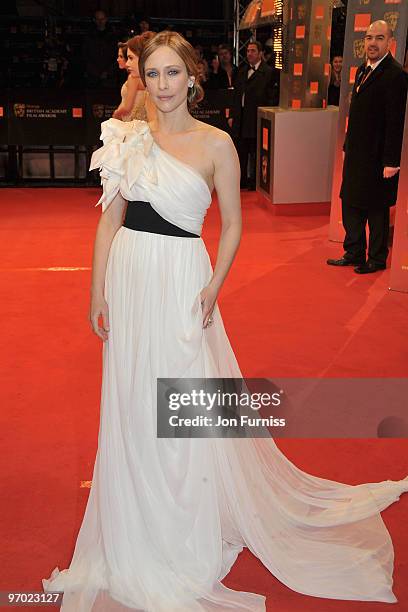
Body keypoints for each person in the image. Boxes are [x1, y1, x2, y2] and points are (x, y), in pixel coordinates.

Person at [42, 30, 408, 611]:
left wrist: (214, 285)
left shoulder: (216, 145)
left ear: (192, 77)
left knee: (179, 405)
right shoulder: (129, 138)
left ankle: (183, 531)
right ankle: (136, 524)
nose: (162, 86)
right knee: (134, 400)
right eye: (153, 74)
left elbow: (233, 224)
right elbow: (109, 223)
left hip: (184, 282)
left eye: (172, 74)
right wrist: (96, 292)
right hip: (131, 281)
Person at [328, 21, 408, 273]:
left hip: (378, 157)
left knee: (376, 209)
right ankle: (353, 252)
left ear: (390, 42)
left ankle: (376, 258)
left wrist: (391, 162)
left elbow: (396, 122)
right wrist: (347, 146)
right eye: (369, 37)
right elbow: (357, 113)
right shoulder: (363, 69)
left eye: (379, 38)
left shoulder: (396, 75)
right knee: (350, 202)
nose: (372, 43)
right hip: (356, 153)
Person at [229, 41, 278, 190]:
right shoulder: (242, 71)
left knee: (256, 151)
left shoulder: (269, 72)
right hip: (241, 116)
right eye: (248, 51)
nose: (249, 53)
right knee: (240, 151)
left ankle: (255, 182)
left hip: (257, 117)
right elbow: (236, 95)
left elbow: (271, 97)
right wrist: (232, 114)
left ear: (260, 53)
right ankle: (241, 180)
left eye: (253, 51)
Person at [112, 33, 156, 123]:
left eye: (130, 58)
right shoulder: (146, 82)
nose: (127, 63)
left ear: (144, 57)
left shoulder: (136, 80)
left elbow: (126, 107)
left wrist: (116, 115)